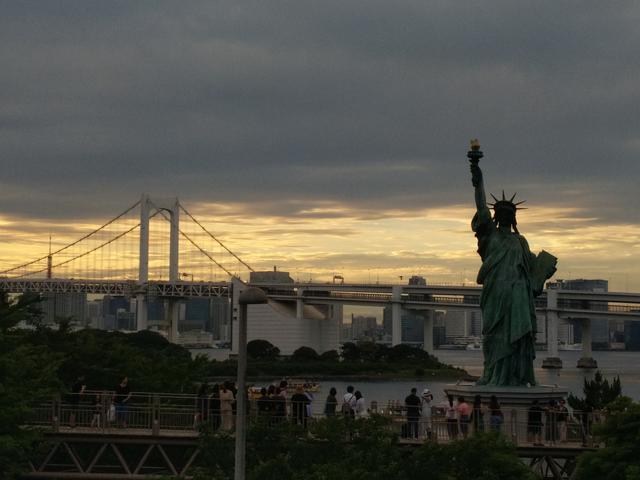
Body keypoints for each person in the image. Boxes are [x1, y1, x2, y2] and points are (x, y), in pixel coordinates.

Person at [469, 147, 557, 386]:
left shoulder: (520, 241)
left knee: (518, 335)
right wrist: (477, 176)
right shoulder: (489, 236)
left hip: (518, 294)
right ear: (496, 216)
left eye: (509, 213)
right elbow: (480, 206)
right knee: (494, 333)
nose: (505, 216)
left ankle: (517, 375)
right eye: (501, 213)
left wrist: (543, 269)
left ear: (514, 217)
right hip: (496, 292)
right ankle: (492, 373)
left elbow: (532, 273)